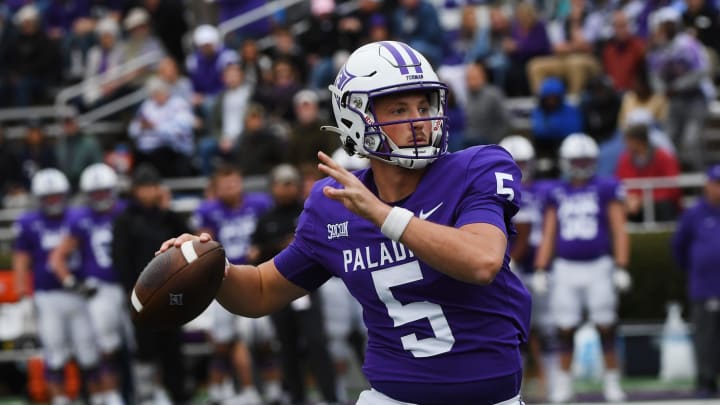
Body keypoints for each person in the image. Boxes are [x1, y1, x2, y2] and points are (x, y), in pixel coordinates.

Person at [159, 40, 530, 405]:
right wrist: (212, 268)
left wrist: (383, 215)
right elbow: (260, 291)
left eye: (423, 105)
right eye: (399, 110)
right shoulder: (334, 204)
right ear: (356, 118)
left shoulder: (476, 168)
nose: (419, 121)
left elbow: (482, 261)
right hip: (392, 397)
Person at [533, 133, 632, 403]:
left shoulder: (605, 187)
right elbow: (549, 233)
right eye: (576, 161)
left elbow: (618, 228)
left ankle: (612, 383)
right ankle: (564, 384)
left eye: (585, 160)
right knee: (564, 328)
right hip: (565, 268)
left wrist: (622, 265)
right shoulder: (556, 192)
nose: (580, 166)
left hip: (599, 265)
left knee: (606, 325)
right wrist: (541, 267)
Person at [13, 169, 106, 405]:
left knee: (89, 352)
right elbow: (21, 260)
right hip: (48, 296)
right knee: (54, 354)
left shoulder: (78, 217)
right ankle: (61, 401)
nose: (54, 201)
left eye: (57, 196)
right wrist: (23, 296)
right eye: (48, 197)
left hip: (79, 293)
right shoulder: (29, 222)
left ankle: (100, 398)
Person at [249, 164, 340, 404]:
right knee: (286, 346)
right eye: (283, 183)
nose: (289, 188)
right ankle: (296, 397)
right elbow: (254, 254)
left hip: (306, 289)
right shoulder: (265, 219)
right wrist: (280, 246)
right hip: (278, 288)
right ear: (273, 187)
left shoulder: (307, 212)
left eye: (292, 183)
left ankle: (330, 397)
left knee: (316, 342)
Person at [191, 165, 276, 404]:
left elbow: (270, 232)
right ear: (216, 189)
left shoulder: (259, 204)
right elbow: (203, 246)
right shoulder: (209, 210)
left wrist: (262, 249)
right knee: (223, 341)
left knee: (263, 340)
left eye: (235, 183)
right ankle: (219, 392)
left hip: (257, 275)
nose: (231, 189)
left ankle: (274, 390)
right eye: (225, 185)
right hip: (223, 279)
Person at [49, 163, 127, 405]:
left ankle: (143, 393)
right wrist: (73, 283)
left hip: (131, 284)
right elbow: (57, 258)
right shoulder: (81, 219)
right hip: (100, 287)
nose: (101, 197)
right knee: (105, 345)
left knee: (140, 344)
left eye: (104, 191)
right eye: (95, 193)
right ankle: (110, 395)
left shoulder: (125, 211)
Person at [111, 164, 190, 404]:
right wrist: (129, 291)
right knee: (145, 346)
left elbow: (189, 245)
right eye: (144, 187)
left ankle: (177, 394)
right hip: (141, 292)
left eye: (153, 187)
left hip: (171, 291)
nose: (149, 192)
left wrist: (169, 211)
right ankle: (147, 395)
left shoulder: (168, 216)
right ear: (135, 190)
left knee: (172, 345)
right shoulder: (125, 220)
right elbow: (120, 257)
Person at [499, 135, 558, 402]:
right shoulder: (495, 191)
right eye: (516, 163)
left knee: (548, 328)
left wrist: (543, 264)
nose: (520, 169)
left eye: (524, 162)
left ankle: (554, 385)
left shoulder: (545, 191)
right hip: (510, 265)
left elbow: (550, 229)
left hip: (542, 267)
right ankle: (517, 385)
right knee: (514, 329)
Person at [671, 163, 720, 399]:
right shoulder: (694, 213)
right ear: (707, 185)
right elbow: (679, 247)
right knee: (705, 337)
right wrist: (696, 269)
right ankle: (706, 381)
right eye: (717, 184)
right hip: (704, 286)